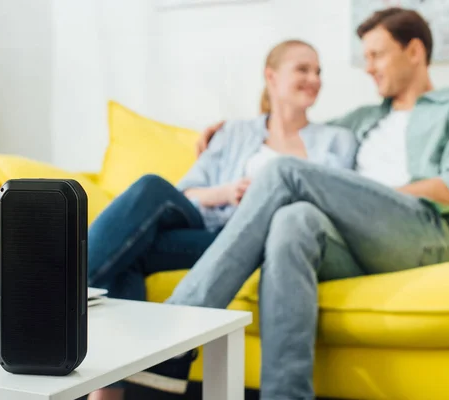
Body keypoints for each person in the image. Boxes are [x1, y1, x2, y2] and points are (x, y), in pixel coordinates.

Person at [125, 7, 449, 400]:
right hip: (364, 242)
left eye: (376, 55)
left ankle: (178, 326)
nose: (369, 67)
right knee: (294, 221)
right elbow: (289, 125)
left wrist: (371, 198)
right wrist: (230, 132)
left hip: (428, 235)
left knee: (286, 172)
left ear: (413, 51)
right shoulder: (361, 121)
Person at [87, 39, 358, 400]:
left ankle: (98, 372)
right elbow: (187, 195)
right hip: (210, 232)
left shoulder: (337, 140)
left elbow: (337, 203)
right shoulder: (233, 133)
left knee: (128, 254)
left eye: (318, 71)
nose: (314, 78)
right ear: (271, 76)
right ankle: (72, 285)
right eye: (303, 69)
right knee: (149, 190)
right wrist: (227, 192)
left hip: (266, 238)